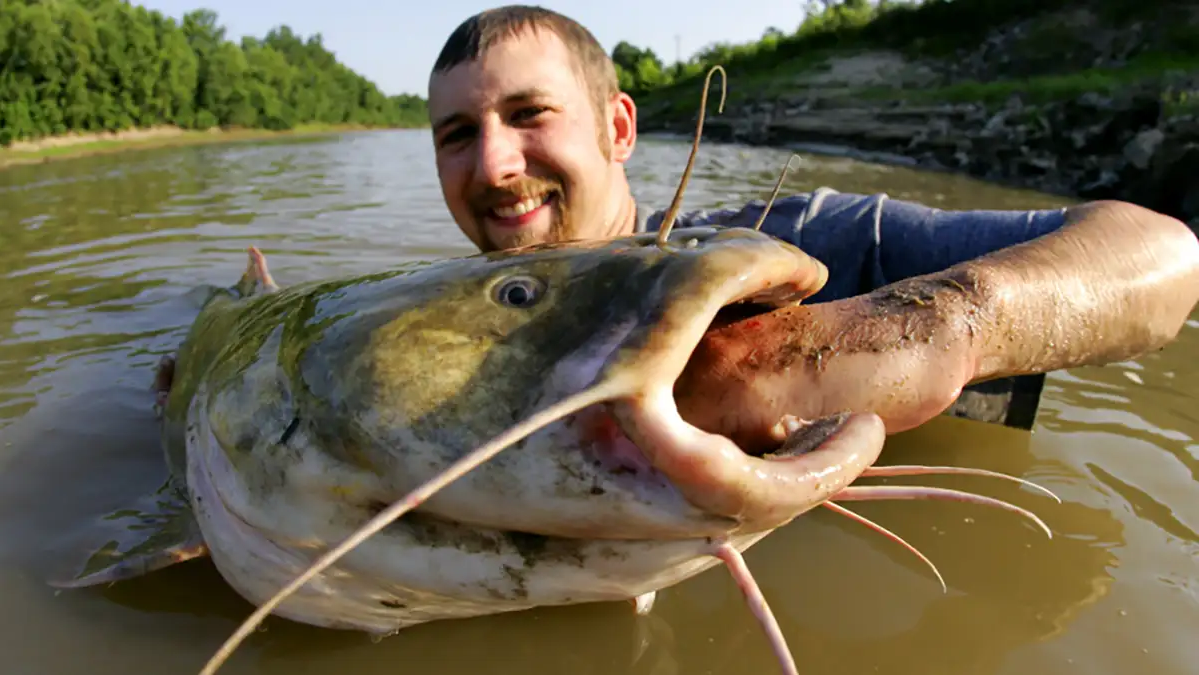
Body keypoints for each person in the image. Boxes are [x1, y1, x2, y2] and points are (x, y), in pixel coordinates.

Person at [425, 5, 1199, 449]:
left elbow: (1163, 257)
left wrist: (933, 327)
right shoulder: (441, 342)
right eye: (457, 134)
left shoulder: (807, 244)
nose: (493, 164)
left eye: (530, 114)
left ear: (619, 127)